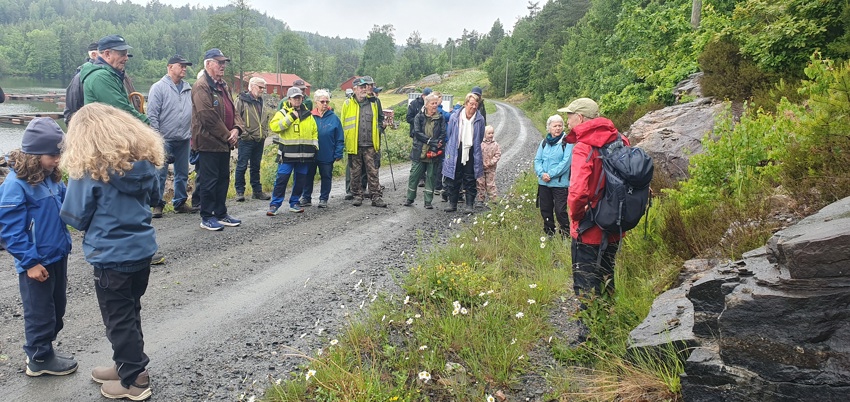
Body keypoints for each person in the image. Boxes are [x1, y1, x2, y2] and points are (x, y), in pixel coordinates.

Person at [59, 103, 164, 400]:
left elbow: (75, 217)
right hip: (142, 253)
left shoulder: (91, 171)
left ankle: (136, 380)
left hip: (110, 257)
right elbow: (157, 199)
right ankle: (126, 365)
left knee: (118, 319)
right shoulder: (146, 163)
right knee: (130, 312)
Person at [0, 118, 75, 377]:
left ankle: (44, 348)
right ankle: (39, 358)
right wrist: (30, 262)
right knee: (39, 312)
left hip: (57, 254)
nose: (57, 160)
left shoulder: (52, 178)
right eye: (53, 155)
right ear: (33, 155)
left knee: (57, 307)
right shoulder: (15, 185)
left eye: (59, 154)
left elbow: (67, 205)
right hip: (35, 261)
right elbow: (10, 230)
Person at [563, 98, 628, 306]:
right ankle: (609, 323)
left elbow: (578, 193)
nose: (567, 121)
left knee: (585, 284)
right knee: (607, 276)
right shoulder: (620, 139)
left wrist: (577, 218)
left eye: (569, 116)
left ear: (580, 118)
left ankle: (587, 336)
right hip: (615, 226)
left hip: (589, 229)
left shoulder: (584, 147)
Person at [192, 48, 244, 231]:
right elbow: (207, 116)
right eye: (219, 62)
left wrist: (237, 129)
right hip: (208, 142)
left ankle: (221, 214)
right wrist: (227, 135)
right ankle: (207, 216)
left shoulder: (223, 85)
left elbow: (234, 110)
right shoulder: (201, 86)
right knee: (209, 180)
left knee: (223, 178)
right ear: (208, 64)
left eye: (224, 63)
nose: (223, 66)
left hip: (224, 143)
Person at [147, 54, 195, 217]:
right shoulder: (158, 87)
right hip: (164, 138)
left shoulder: (188, 88)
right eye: (181, 65)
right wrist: (156, 138)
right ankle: (157, 204)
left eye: (185, 66)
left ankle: (180, 202)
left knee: (182, 172)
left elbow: (192, 112)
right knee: (159, 173)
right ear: (170, 67)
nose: (184, 69)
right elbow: (152, 114)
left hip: (183, 138)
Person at [267, 87, 318, 215]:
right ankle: (274, 205)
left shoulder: (308, 115)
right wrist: (290, 117)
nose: (297, 100)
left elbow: (314, 131)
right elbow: (274, 127)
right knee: (282, 179)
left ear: (302, 98)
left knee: (300, 180)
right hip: (287, 155)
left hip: (304, 155)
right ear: (289, 99)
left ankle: (294, 202)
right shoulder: (282, 113)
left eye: (299, 97)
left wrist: (315, 146)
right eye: (294, 97)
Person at [80, 35, 148, 123]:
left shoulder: (110, 74)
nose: (126, 58)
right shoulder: (100, 77)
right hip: (104, 134)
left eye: (126, 54)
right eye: (122, 54)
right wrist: (149, 126)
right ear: (107, 54)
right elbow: (121, 110)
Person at [342, 77, 387, 207]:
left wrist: (379, 128)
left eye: (365, 87)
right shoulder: (347, 104)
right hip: (354, 144)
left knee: (373, 172)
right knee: (355, 173)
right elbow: (343, 123)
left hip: (371, 144)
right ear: (354, 89)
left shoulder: (374, 102)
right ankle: (357, 196)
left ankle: (376, 197)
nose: (364, 89)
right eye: (361, 87)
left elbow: (380, 119)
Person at [442, 92, 485, 213]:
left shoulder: (480, 119)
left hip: (472, 151)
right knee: (453, 177)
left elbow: (480, 136)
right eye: (471, 104)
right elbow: (450, 133)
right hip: (456, 149)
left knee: (470, 178)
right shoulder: (455, 117)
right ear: (466, 104)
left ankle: (469, 205)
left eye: (476, 104)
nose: (474, 107)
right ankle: (452, 203)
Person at [301, 89, 343, 208]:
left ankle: (323, 199)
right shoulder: (309, 116)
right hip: (311, 153)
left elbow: (339, 137)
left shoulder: (334, 118)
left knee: (326, 176)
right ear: (316, 102)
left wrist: (338, 152)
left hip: (327, 153)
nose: (325, 104)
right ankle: (306, 197)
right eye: (322, 101)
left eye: (327, 101)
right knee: (308, 175)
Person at [403, 92, 445, 209]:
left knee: (431, 177)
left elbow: (442, 133)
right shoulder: (419, 116)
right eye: (432, 103)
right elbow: (417, 133)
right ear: (426, 104)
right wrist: (431, 141)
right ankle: (410, 198)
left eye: (436, 103)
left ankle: (428, 202)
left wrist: (437, 145)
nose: (435, 105)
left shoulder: (440, 117)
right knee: (414, 176)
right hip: (419, 151)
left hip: (433, 153)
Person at [234, 76, 271, 202]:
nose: (262, 90)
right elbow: (236, 118)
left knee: (256, 166)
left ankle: (257, 191)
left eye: (263, 88)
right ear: (252, 86)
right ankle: (239, 191)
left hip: (259, 139)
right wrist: (244, 134)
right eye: (260, 87)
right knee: (242, 165)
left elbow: (265, 118)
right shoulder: (241, 100)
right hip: (246, 139)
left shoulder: (261, 101)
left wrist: (265, 133)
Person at [534, 115, 573, 236]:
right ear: (549, 128)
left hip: (560, 184)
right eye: (555, 126)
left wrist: (550, 174)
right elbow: (537, 160)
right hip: (544, 183)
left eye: (560, 125)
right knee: (545, 210)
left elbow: (566, 163)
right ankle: (549, 233)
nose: (557, 128)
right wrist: (541, 174)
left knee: (560, 211)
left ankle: (565, 235)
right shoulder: (544, 142)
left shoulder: (567, 142)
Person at [63, 42, 98, 125]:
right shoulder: (80, 77)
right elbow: (71, 109)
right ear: (94, 55)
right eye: (105, 53)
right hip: (87, 127)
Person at [476, 125, 502, 209]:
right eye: (489, 133)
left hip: (491, 168)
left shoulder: (495, 145)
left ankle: (493, 199)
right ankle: (480, 199)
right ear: (484, 134)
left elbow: (497, 155)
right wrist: (480, 163)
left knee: (490, 183)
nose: (491, 135)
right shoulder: (481, 144)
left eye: (492, 133)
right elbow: (477, 154)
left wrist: (491, 162)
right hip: (481, 167)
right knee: (480, 183)